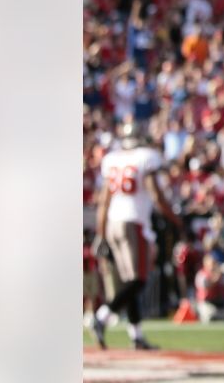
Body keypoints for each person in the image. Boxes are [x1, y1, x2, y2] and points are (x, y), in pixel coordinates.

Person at [90, 130, 181, 351]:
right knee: (138, 280)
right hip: (133, 223)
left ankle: (136, 335)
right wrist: (175, 219)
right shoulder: (146, 157)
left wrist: (100, 233)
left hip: (113, 223)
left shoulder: (112, 159)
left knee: (130, 280)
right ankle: (102, 317)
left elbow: (104, 201)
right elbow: (156, 195)